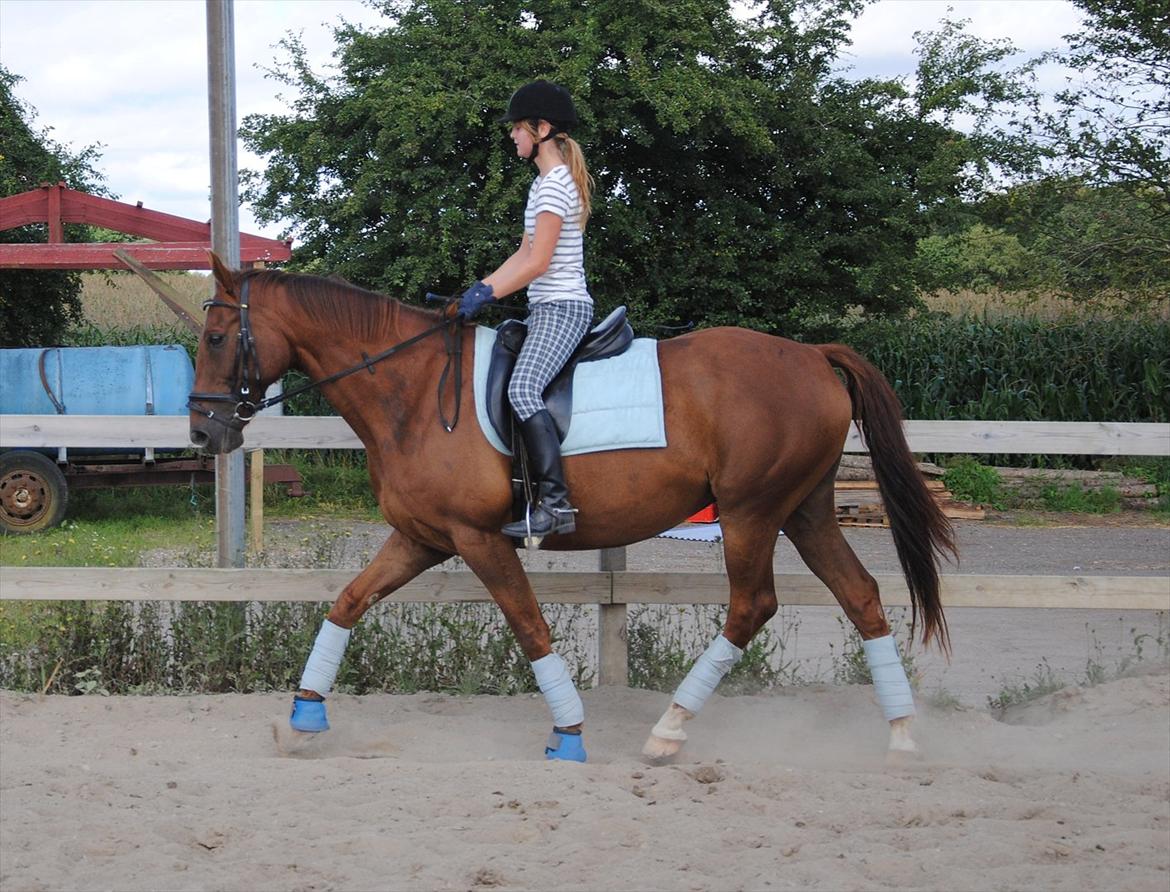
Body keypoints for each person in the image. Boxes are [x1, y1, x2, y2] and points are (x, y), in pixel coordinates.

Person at [457, 80, 595, 540]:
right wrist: (478, 289)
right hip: (545, 309)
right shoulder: (542, 187)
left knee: (523, 391)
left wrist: (489, 295)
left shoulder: (555, 187)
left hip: (563, 309)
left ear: (541, 129)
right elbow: (522, 255)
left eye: (517, 129)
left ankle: (555, 504)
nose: (512, 137)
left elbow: (539, 263)